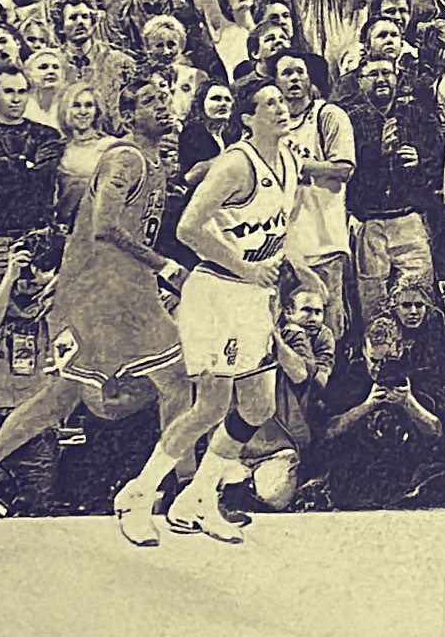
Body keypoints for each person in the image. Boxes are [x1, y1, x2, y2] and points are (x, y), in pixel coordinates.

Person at [0, 75, 188, 539]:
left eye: (164, 97)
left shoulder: (156, 162)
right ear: (128, 116)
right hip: (97, 295)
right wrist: (165, 266)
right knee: (172, 383)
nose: (162, 105)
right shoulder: (125, 158)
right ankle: (170, 491)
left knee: (63, 398)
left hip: (128, 293)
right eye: (150, 100)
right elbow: (104, 225)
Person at [110, 71, 313, 544]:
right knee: (210, 407)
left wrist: (301, 268)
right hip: (217, 292)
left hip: (251, 297)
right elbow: (188, 229)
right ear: (248, 118)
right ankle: (138, 495)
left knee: (258, 406)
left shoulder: (288, 159)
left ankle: (198, 497)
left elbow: (274, 229)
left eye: (282, 101)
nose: (281, 108)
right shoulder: (234, 165)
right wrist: (245, 267)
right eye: (269, 104)